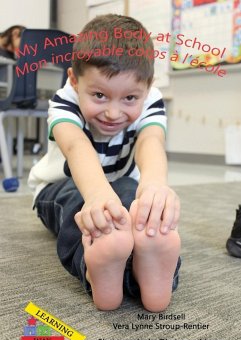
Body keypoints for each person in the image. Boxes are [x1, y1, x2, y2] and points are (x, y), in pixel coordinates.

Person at [28, 14, 181, 312]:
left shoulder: (151, 99)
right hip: (60, 187)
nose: (113, 113)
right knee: (81, 206)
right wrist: (96, 196)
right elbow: (75, 146)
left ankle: (144, 272)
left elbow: (151, 141)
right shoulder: (64, 100)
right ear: (74, 80)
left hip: (118, 183)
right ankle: (92, 267)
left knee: (136, 206)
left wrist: (154, 188)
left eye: (129, 98)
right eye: (99, 95)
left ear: (147, 87)